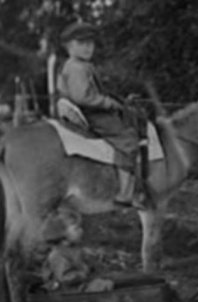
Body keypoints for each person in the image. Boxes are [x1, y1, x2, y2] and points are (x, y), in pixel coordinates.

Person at [56, 21, 145, 208]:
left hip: (92, 109)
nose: (88, 47)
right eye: (82, 43)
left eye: (91, 43)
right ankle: (124, 193)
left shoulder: (81, 65)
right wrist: (109, 103)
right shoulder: (77, 67)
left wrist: (118, 100)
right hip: (92, 114)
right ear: (69, 46)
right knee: (129, 140)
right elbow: (82, 97)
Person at [39, 208, 91, 291]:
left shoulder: (72, 248)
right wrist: (82, 274)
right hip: (67, 290)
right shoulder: (57, 255)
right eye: (76, 228)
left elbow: (79, 259)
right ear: (62, 234)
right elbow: (63, 278)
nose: (81, 231)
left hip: (79, 284)